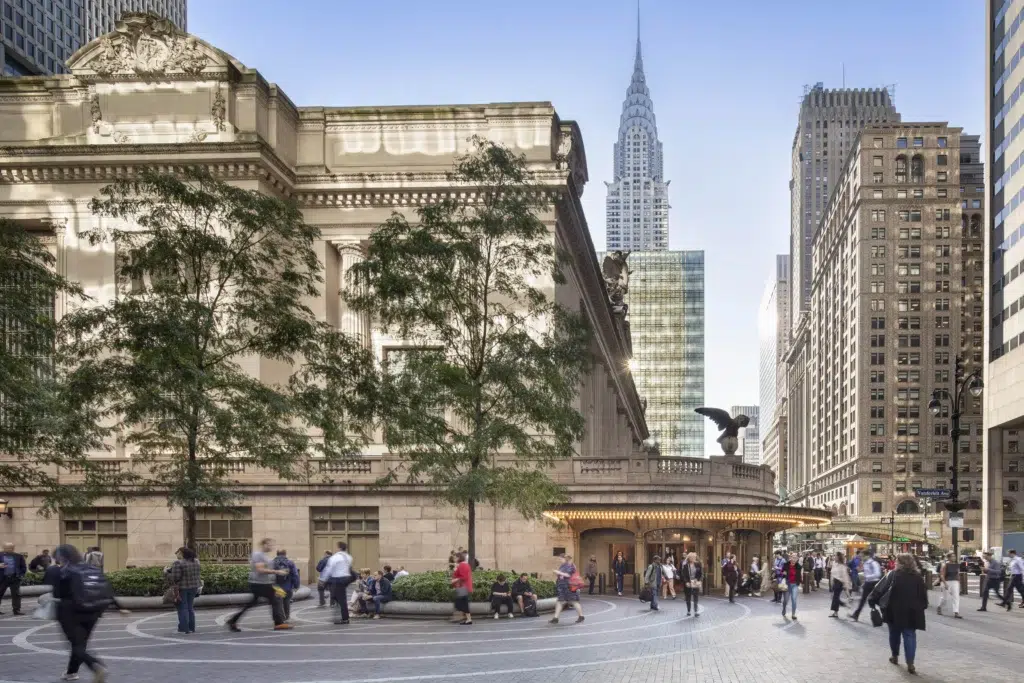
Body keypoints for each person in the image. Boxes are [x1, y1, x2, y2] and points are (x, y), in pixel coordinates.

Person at [45, 544, 110, 682]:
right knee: (81, 644)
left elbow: (56, 592)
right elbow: (105, 589)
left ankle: (96, 666)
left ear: (60, 557)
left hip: (70, 611)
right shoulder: (92, 568)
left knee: (76, 644)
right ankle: (71, 672)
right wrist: (120, 606)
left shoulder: (59, 571)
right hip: (93, 611)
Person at [878, 553, 928, 675]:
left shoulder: (893, 575)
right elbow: (923, 596)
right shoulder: (918, 577)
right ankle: (910, 663)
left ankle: (895, 656)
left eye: (897, 561)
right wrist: (921, 607)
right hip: (912, 611)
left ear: (901, 563)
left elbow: (880, 589)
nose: (895, 563)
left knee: (894, 634)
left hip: (894, 610)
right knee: (909, 635)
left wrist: (874, 601)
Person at [226, 538, 289, 632]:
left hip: (262, 583)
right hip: (260, 584)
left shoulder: (263, 555)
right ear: (263, 545)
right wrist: (277, 571)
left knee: (253, 603)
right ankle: (278, 623)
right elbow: (260, 570)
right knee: (277, 597)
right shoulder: (258, 555)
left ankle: (233, 620)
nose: (271, 547)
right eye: (269, 545)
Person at [170, 546, 201, 634]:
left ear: (182, 553)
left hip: (182, 588)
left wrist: (166, 573)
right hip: (194, 587)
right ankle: (191, 628)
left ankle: (184, 628)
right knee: (190, 607)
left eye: (178, 552)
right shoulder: (196, 561)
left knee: (182, 607)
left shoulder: (178, 563)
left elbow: (175, 578)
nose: (176, 554)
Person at [324, 541, 355, 625]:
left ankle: (345, 618)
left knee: (341, 599)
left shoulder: (335, 557)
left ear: (339, 548)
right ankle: (341, 615)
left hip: (338, 580)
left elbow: (329, 569)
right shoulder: (349, 557)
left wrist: (323, 579)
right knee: (336, 596)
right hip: (346, 579)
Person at [550, 554, 584, 624]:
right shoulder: (563, 565)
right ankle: (555, 618)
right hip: (562, 587)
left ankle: (581, 616)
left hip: (569, 587)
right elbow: (562, 575)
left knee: (574, 601)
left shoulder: (569, 565)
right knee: (559, 601)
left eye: (560, 559)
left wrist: (558, 572)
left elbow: (568, 575)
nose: (559, 560)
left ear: (565, 559)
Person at [851, 550, 881, 621]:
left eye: (862, 556)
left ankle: (886, 614)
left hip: (874, 583)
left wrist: (867, 577)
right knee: (863, 600)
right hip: (868, 583)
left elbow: (877, 574)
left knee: (877, 600)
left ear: (867, 556)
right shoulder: (865, 563)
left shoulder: (873, 563)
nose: (861, 557)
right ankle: (856, 615)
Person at [272, 549, 300, 622]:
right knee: (286, 602)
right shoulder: (290, 563)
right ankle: (287, 617)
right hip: (287, 587)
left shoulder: (272, 563)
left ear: (277, 554)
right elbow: (295, 575)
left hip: (277, 587)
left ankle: (280, 618)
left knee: (279, 603)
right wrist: (296, 585)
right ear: (285, 554)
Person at [0, 542, 27, 616]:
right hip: (2, 578)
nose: (5, 549)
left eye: (7, 548)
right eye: (4, 548)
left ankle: (16, 610)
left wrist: (20, 575)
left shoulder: (18, 556)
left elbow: (23, 567)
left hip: (14, 578)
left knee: (16, 594)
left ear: (12, 548)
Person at [935, 551, 962, 619]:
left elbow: (958, 574)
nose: (954, 558)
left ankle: (956, 612)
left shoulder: (956, 565)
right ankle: (939, 606)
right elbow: (942, 575)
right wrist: (945, 583)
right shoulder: (945, 565)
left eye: (954, 556)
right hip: (946, 582)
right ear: (949, 558)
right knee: (945, 598)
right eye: (952, 556)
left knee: (956, 597)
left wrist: (960, 583)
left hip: (955, 582)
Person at [451, 551, 473, 625]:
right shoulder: (463, 565)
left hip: (463, 587)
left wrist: (455, 579)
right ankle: (468, 619)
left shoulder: (462, 565)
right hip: (463, 587)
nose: (454, 559)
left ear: (459, 558)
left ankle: (463, 617)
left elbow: (464, 577)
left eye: (455, 557)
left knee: (459, 604)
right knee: (463, 603)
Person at [828, 551, 851, 618]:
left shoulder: (842, 566)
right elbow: (832, 573)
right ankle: (837, 611)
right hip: (835, 582)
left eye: (835, 556)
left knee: (835, 597)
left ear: (838, 557)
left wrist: (846, 586)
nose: (834, 557)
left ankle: (839, 609)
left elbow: (845, 577)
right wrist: (831, 582)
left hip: (839, 583)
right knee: (835, 597)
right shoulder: (834, 564)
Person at [779, 552, 801, 619]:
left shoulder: (799, 566)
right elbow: (781, 572)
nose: (794, 559)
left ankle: (793, 614)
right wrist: (783, 573)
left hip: (794, 585)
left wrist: (799, 583)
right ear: (790, 558)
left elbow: (800, 576)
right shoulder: (786, 565)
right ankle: (784, 609)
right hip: (787, 584)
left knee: (794, 599)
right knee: (785, 600)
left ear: (797, 558)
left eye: (795, 557)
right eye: (793, 557)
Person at [679, 552, 702, 616]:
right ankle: (688, 610)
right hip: (688, 583)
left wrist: (698, 579)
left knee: (696, 597)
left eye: (694, 557)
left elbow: (700, 573)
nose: (693, 558)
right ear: (689, 558)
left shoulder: (698, 564)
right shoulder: (685, 565)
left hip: (695, 582)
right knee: (688, 597)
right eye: (692, 557)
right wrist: (686, 582)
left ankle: (696, 611)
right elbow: (683, 575)